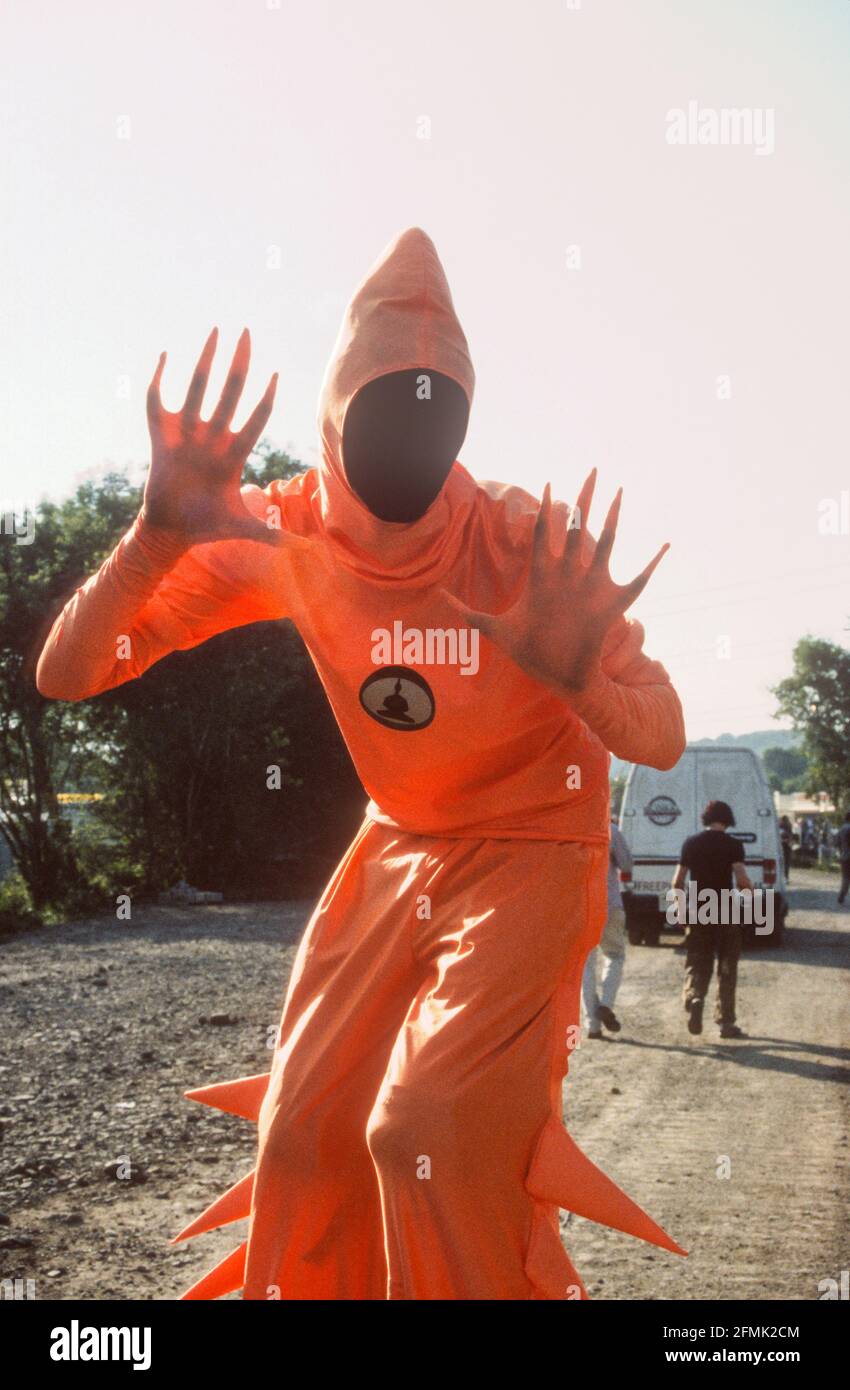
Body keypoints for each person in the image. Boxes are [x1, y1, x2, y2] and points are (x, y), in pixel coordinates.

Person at [36, 228, 687, 1301]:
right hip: (396, 839)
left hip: (530, 841)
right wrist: (153, 535)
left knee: (423, 1127)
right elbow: (69, 671)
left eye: (440, 416)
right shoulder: (291, 529)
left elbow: (659, 732)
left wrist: (580, 685)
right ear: (336, 416)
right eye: (386, 411)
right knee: (301, 1133)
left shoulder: (519, 540)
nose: (412, 448)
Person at [672, 800, 754, 1040]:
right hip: (725, 911)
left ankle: (694, 997)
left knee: (697, 961)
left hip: (698, 910)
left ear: (705, 819)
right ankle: (726, 1023)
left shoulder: (691, 843)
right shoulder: (734, 845)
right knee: (727, 967)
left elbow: (677, 882)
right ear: (727, 820)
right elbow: (741, 880)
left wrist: (679, 909)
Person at [582, 817, 632, 1038]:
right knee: (615, 955)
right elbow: (627, 864)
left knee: (586, 966)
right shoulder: (610, 830)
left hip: (582, 907)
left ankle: (593, 1025)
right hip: (610, 903)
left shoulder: (572, 830)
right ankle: (606, 1005)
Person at [837, 811, 850, 906]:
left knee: (845, 877)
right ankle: (842, 895)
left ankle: (842, 894)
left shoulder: (841, 828)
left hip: (843, 856)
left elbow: (836, 842)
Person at [779, 813, 793, 881]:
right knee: (786, 863)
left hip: (782, 846)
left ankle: (783, 877)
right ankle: (786, 877)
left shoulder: (780, 826)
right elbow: (790, 837)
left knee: (782, 862)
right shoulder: (789, 826)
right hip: (787, 846)